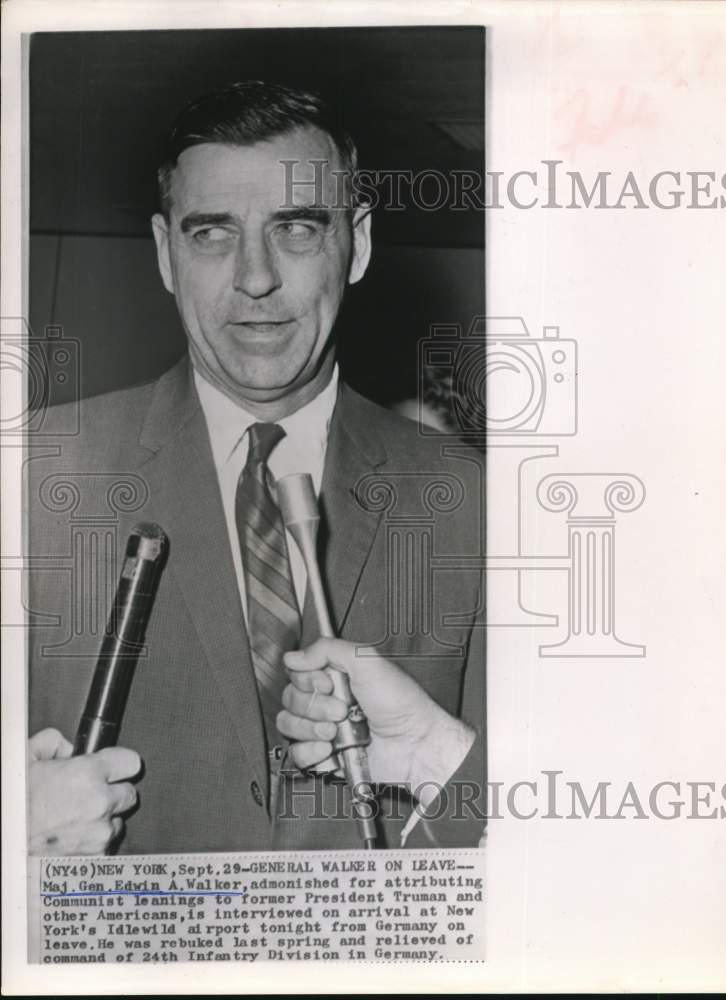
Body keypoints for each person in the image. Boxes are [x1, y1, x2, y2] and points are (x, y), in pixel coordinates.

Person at [27, 81, 486, 854]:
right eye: (212, 233)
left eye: (297, 228)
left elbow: (555, 851)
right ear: (166, 252)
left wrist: (443, 762)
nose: (256, 277)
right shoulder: (31, 476)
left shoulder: (475, 501)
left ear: (358, 243)